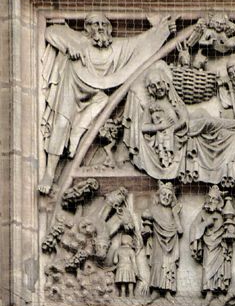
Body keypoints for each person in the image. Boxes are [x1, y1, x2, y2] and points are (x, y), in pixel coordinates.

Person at [40, 13, 174, 192]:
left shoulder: (117, 48)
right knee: (62, 123)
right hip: (72, 89)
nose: (100, 28)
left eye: (104, 24)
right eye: (95, 24)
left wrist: (162, 31)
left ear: (110, 28)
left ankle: (73, 147)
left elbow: (140, 43)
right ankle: (49, 173)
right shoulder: (78, 39)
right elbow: (50, 31)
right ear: (87, 28)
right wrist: (69, 46)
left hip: (98, 95)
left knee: (101, 106)